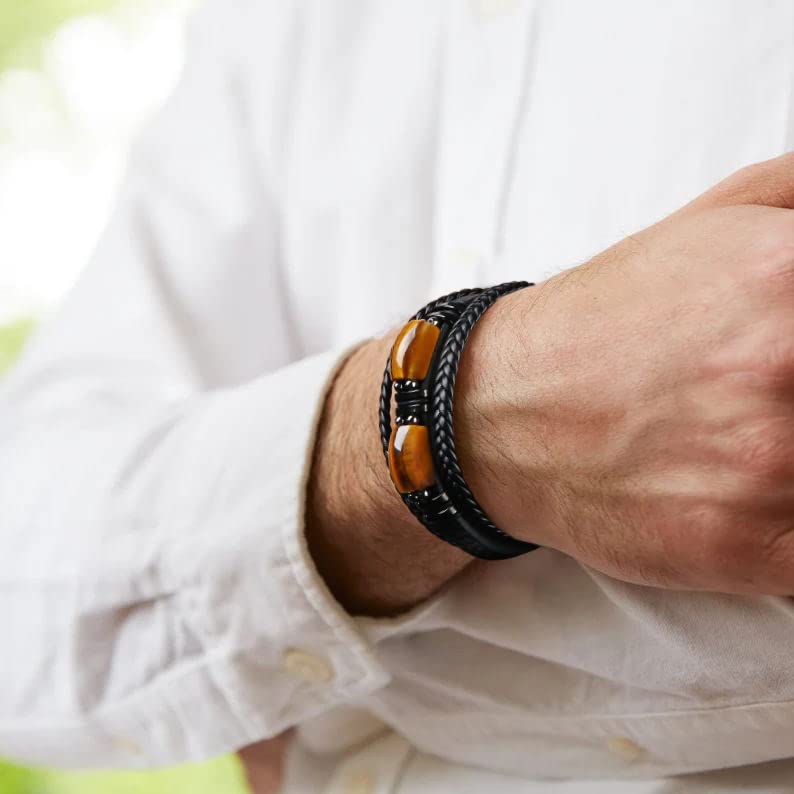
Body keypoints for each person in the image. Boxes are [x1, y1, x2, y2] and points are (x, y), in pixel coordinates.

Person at [4, 0, 794, 791]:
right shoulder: (278, 25)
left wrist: (282, 616)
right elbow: (28, 596)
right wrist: (465, 420)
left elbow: (136, 611)